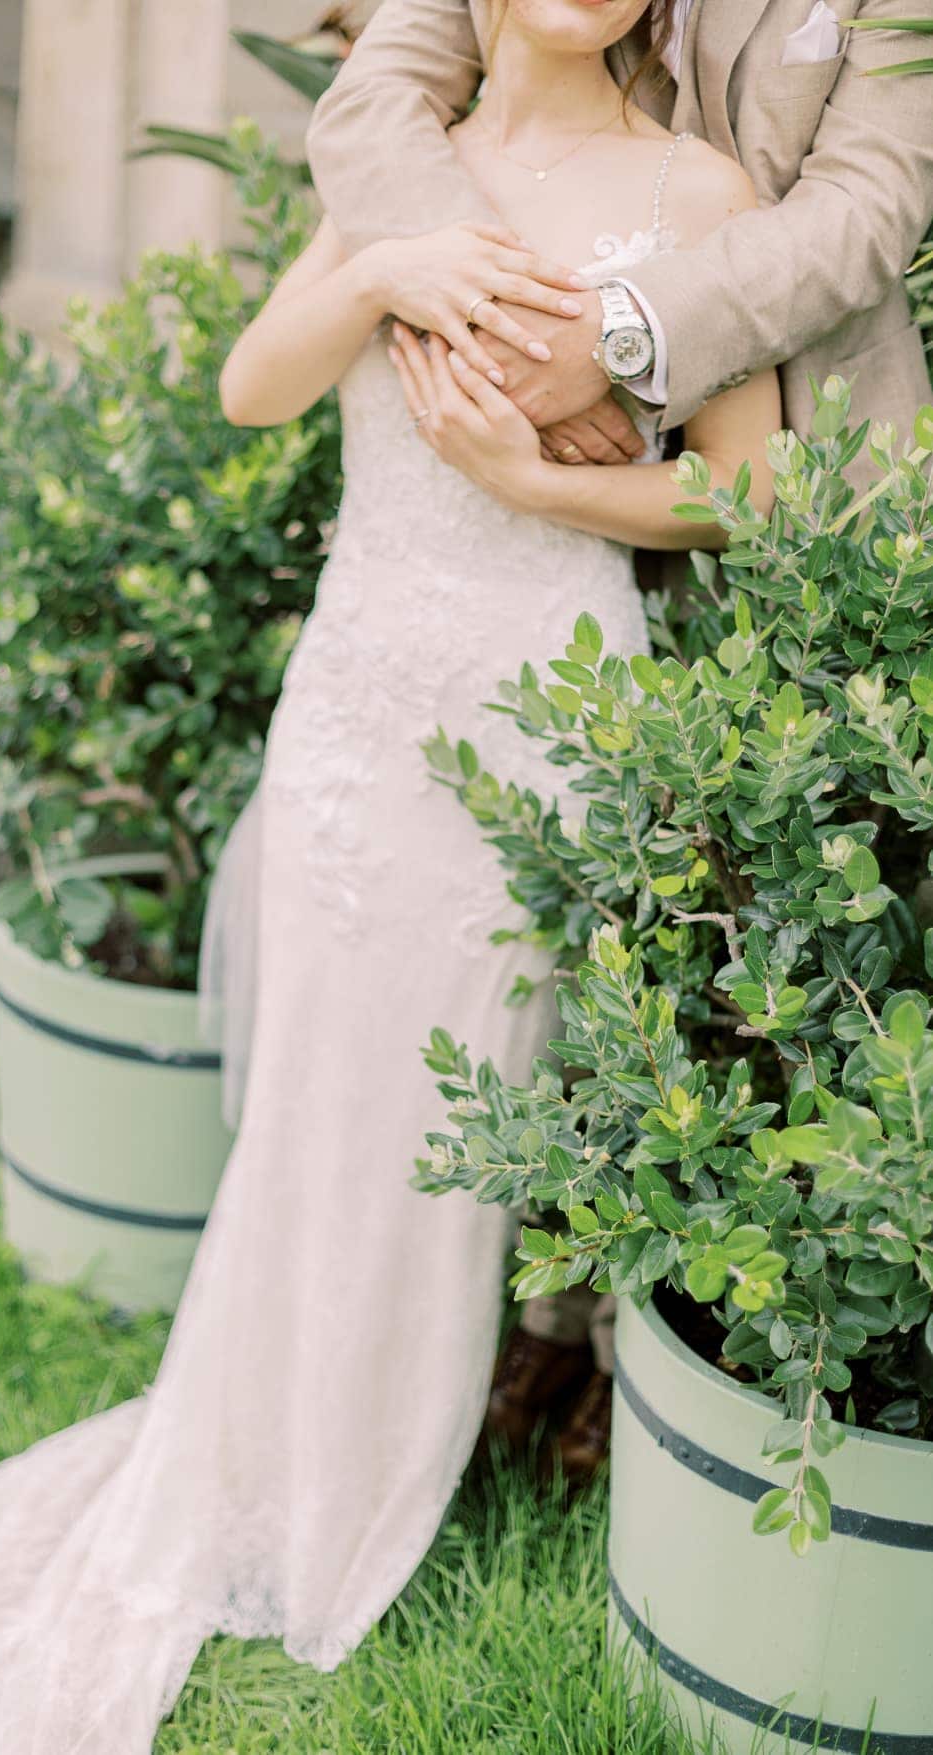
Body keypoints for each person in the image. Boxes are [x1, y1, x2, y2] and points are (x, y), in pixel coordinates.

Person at [0, 5, 781, 1749]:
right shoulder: (396, 156)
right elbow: (254, 384)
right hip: (359, 699)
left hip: (547, 703)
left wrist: (526, 472)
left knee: (464, 1101)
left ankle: (411, 1439)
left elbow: (747, 496)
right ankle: (272, 1430)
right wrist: (393, 267)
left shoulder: (699, 186)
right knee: (327, 1088)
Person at [307, 0, 933, 1474]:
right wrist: (511, 324)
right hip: (562, 517)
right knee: (559, 936)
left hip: (812, 523)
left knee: (761, 953)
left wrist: (618, 341)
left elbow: (863, 210)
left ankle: (668, 1353)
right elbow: (376, 96)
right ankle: (532, 1319)